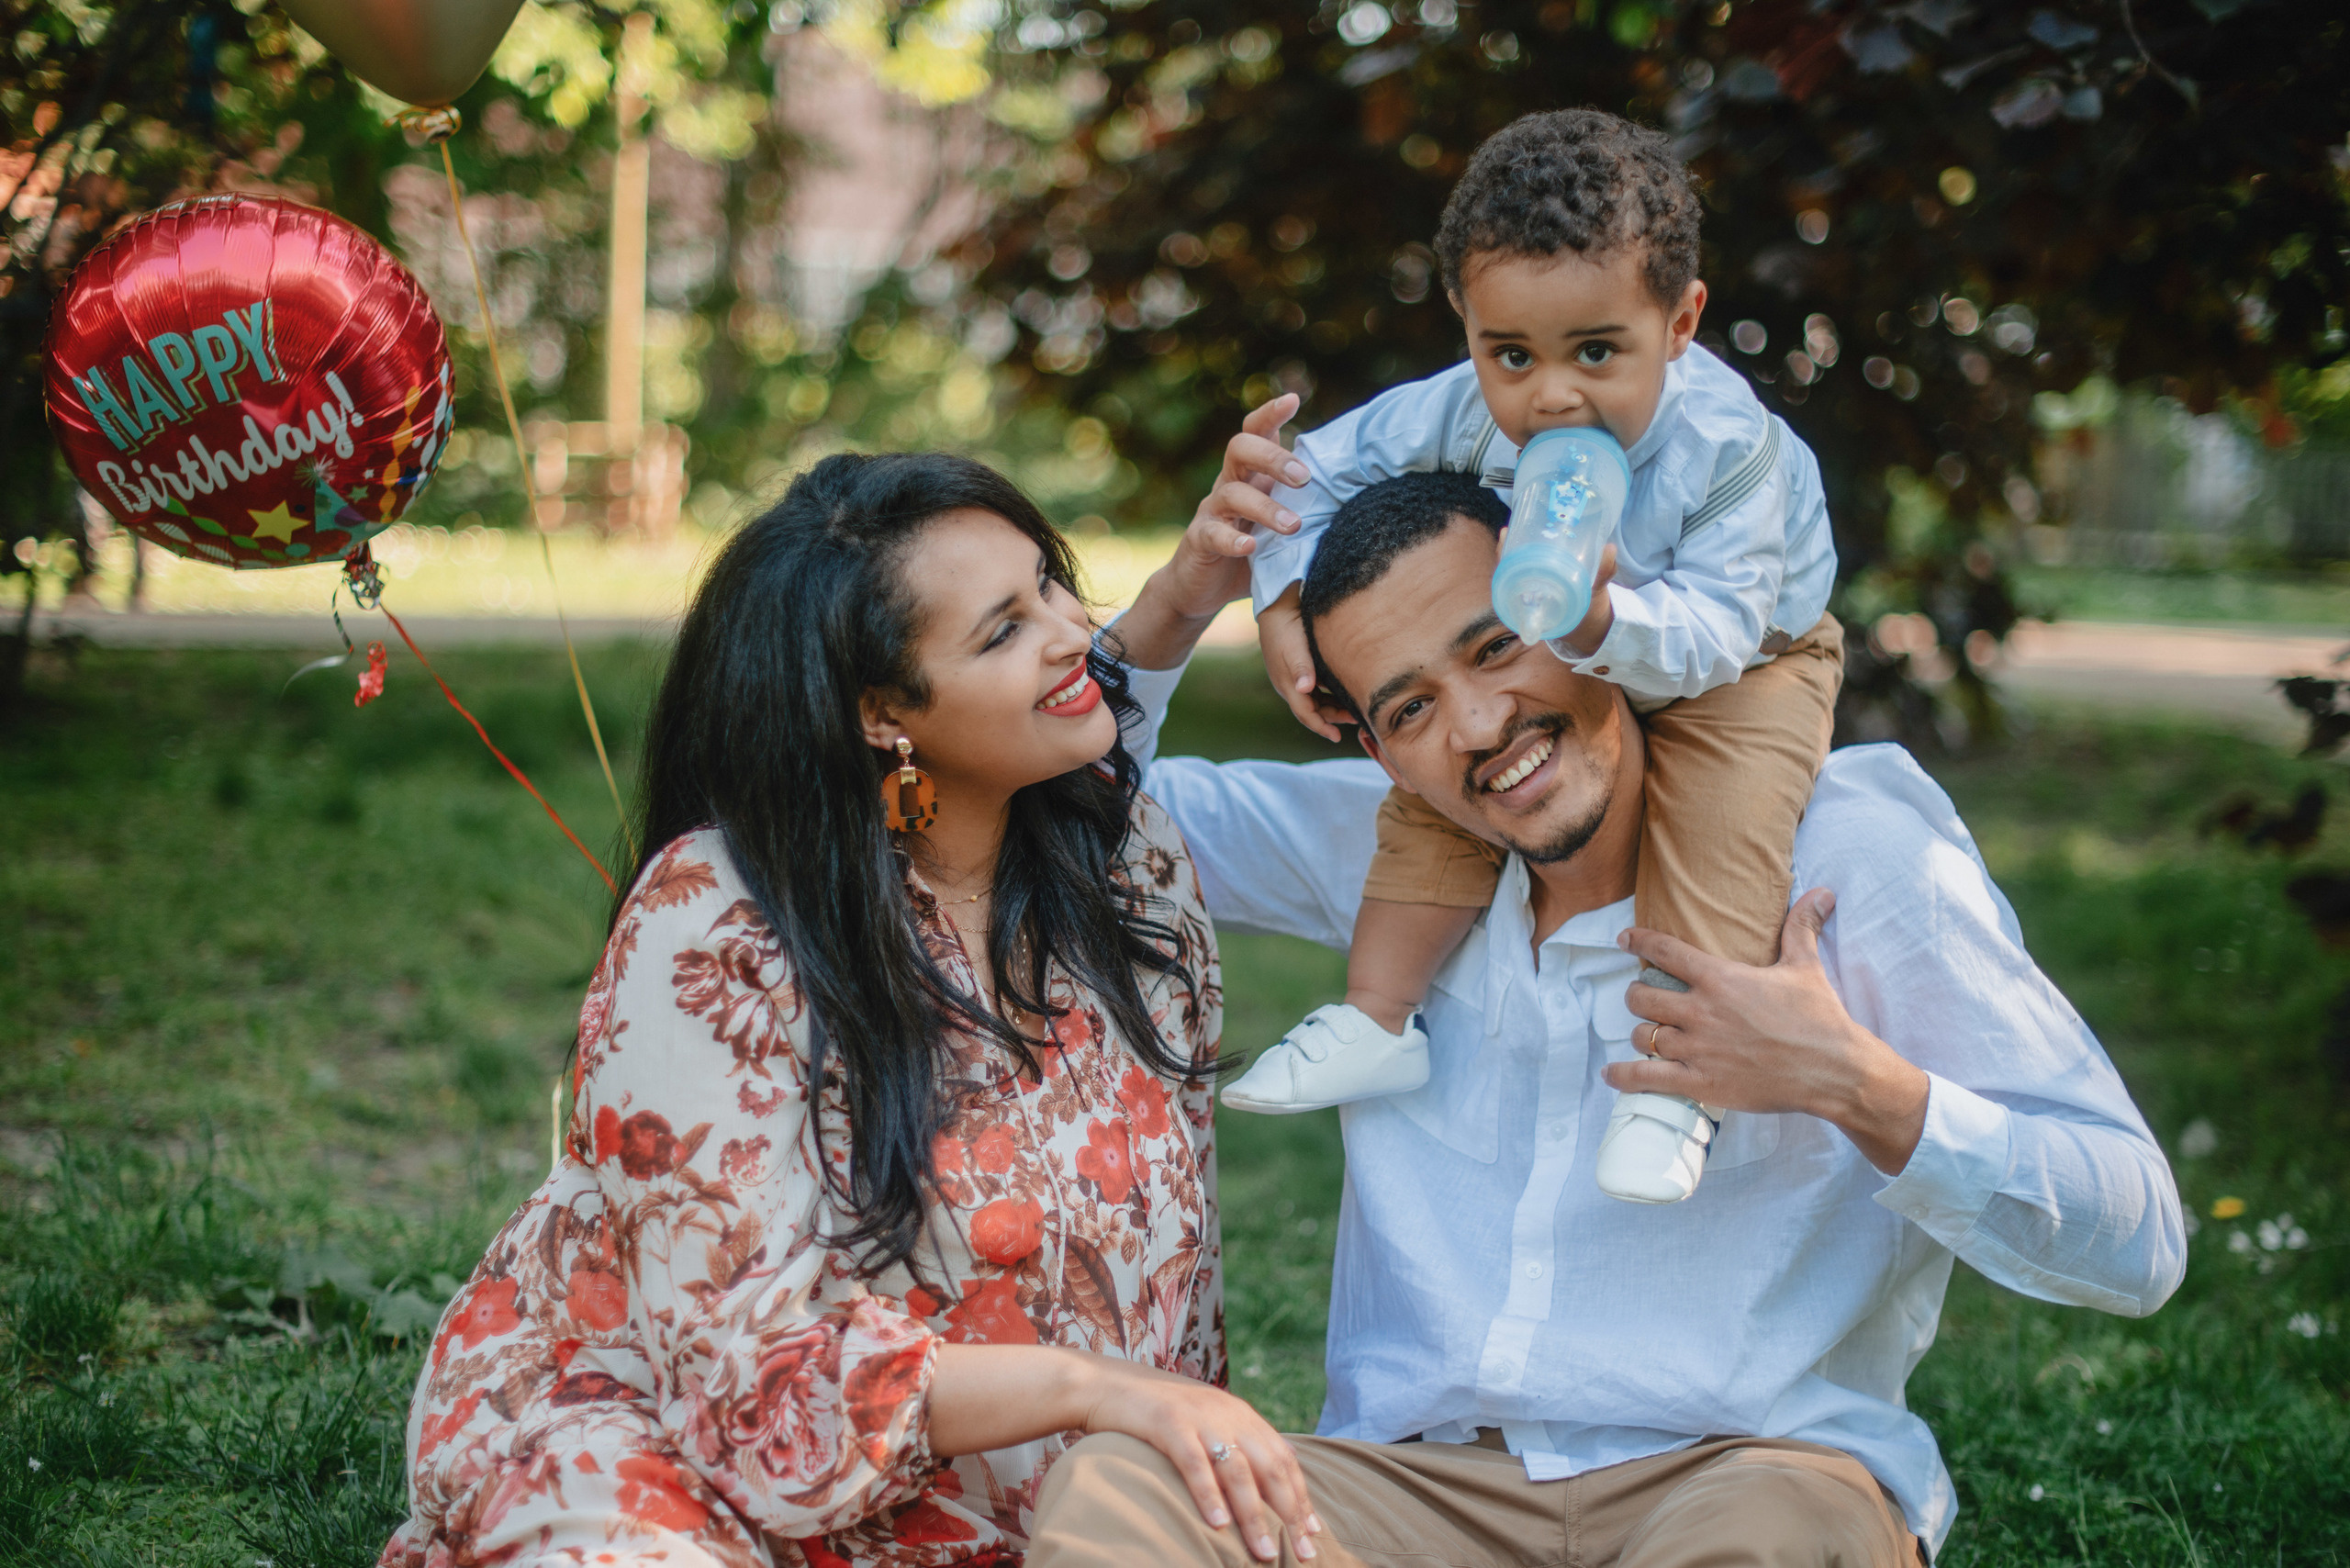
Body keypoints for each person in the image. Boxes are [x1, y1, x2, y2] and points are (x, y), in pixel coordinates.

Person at [1046, 463, 2187, 1565]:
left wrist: (1849, 1078)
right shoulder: (1381, 853)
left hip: (1750, 1476)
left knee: (1765, 1545)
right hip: (1415, 1494)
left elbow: (2138, 1240)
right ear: (1377, 746)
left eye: (1497, 643)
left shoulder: (1848, 852)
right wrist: (1186, 594)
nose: (1480, 723)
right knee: (1123, 1491)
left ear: (1593, 612)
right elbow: (1069, 799)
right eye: (1409, 707)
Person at [381, 446, 1336, 1567]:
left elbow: (1173, 1274)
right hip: (667, 1443)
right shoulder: (719, 919)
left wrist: (1160, 1443)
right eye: (1002, 630)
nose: (1073, 630)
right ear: (886, 713)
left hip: (1009, 1489)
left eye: (1051, 583)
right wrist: (1094, 1389)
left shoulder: (1126, 868)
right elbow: (749, 1383)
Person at [1221, 110, 1843, 1212]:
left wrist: (1604, 625)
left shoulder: (1728, 451)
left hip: (1745, 648)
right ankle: (1377, 1017)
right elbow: (1307, 470)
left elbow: (1718, 630)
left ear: (1682, 320)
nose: (1550, 397)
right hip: (1544, 632)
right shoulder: (1462, 411)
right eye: (1510, 354)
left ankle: (1673, 1085)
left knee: (1724, 811)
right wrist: (1279, 595)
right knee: (1446, 763)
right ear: (1467, 328)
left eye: (1596, 352)